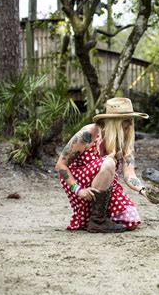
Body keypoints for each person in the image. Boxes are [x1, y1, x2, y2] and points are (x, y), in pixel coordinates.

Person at [55, 97, 150, 233]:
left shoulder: (124, 139)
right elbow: (60, 165)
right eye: (126, 120)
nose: (129, 124)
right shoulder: (89, 133)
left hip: (107, 183)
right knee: (109, 162)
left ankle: (97, 216)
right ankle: (97, 220)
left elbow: (129, 174)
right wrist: (78, 190)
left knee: (131, 220)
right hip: (78, 180)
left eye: (131, 120)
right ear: (114, 121)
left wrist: (144, 191)